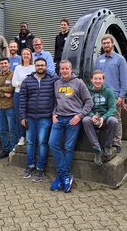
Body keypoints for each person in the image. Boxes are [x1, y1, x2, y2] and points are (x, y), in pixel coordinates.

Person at [48, 60, 93, 192]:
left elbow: (89, 102)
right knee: (52, 143)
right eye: (62, 69)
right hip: (59, 119)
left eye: (67, 68)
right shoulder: (57, 83)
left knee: (68, 147)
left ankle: (60, 177)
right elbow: (56, 102)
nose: (64, 71)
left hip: (73, 119)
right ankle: (65, 176)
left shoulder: (79, 83)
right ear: (59, 70)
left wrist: (79, 116)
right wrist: (53, 114)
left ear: (71, 69)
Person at [19, 57, 59, 182]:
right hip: (30, 117)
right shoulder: (27, 80)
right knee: (30, 143)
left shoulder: (53, 80)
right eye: (38, 65)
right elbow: (22, 100)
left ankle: (40, 168)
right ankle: (30, 166)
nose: (40, 67)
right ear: (34, 66)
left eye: (42, 65)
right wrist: (22, 116)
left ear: (46, 66)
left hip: (45, 117)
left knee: (42, 143)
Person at [94, 34, 127, 152]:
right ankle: (104, 142)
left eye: (108, 43)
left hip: (114, 95)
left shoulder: (120, 59)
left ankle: (117, 143)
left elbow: (124, 79)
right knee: (102, 118)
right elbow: (96, 77)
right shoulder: (99, 59)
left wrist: (121, 95)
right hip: (101, 94)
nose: (106, 45)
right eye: (104, 43)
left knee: (116, 119)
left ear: (112, 44)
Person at [82, 70, 118, 165]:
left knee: (113, 120)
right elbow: (85, 106)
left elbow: (112, 108)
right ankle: (97, 149)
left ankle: (107, 146)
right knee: (85, 120)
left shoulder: (108, 91)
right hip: (93, 117)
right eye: (95, 79)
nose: (97, 81)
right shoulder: (87, 91)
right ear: (91, 80)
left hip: (105, 119)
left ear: (103, 80)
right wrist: (91, 115)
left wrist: (104, 117)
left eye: (100, 79)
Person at [0, 57, 17, 159]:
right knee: (2, 129)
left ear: (9, 64)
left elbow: (12, 88)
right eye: (2, 63)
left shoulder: (13, 74)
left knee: (12, 129)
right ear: (0, 65)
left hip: (9, 106)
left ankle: (13, 149)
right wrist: (3, 93)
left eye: (5, 63)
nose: (4, 65)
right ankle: (5, 149)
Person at [12, 48, 35, 146]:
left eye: (27, 54)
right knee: (19, 116)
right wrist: (23, 83)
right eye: (24, 54)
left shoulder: (34, 67)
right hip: (18, 94)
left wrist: (23, 84)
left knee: (29, 116)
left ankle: (30, 135)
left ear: (30, 56)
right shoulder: (18, 68)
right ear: (21, 56)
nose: (26, 56)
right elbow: (13, 83)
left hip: (31, 95)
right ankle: (21, 136)